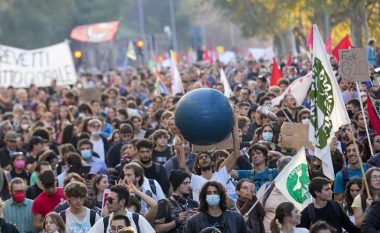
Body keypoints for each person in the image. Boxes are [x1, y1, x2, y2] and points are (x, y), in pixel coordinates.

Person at [185, 181, 250, 233]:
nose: (212, 195)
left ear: (221, 196)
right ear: (204, 197)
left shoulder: (236, 218)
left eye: (215, 192)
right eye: (209, 193)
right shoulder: (193, 221)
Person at [88, 185, 155, 233]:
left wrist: (136, 191)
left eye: (110, 200)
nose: (107, 203)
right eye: (107, 199)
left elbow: (155, 206)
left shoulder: (137, 219)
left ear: (122, 202)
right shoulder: (104, 222)